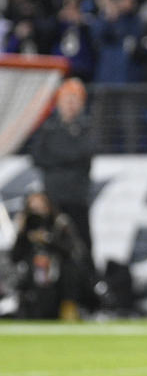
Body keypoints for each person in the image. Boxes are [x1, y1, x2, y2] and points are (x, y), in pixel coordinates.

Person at [30, 78, 95, 257]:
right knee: (49, 245)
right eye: (67, 99)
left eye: (75, 100)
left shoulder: (86, 128)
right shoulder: (48, 128)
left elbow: (84, 154)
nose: (70, 104)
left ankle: (89, 283)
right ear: (58, 102)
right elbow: (37, 157)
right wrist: (68, 157)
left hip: (77, 199)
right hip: (53, 199)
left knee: (82, 245)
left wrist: (57, 156)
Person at [11, 191, 90, 320]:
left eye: (41, 208)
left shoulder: (60, 222)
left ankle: (68, 308)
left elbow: (74, 250)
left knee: (70, 270)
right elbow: (15, 256)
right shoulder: (26, 226)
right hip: (33, 272)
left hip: (59, 270)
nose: (38, 213)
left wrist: (49, 239)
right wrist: (23, 234)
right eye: (33, 209)